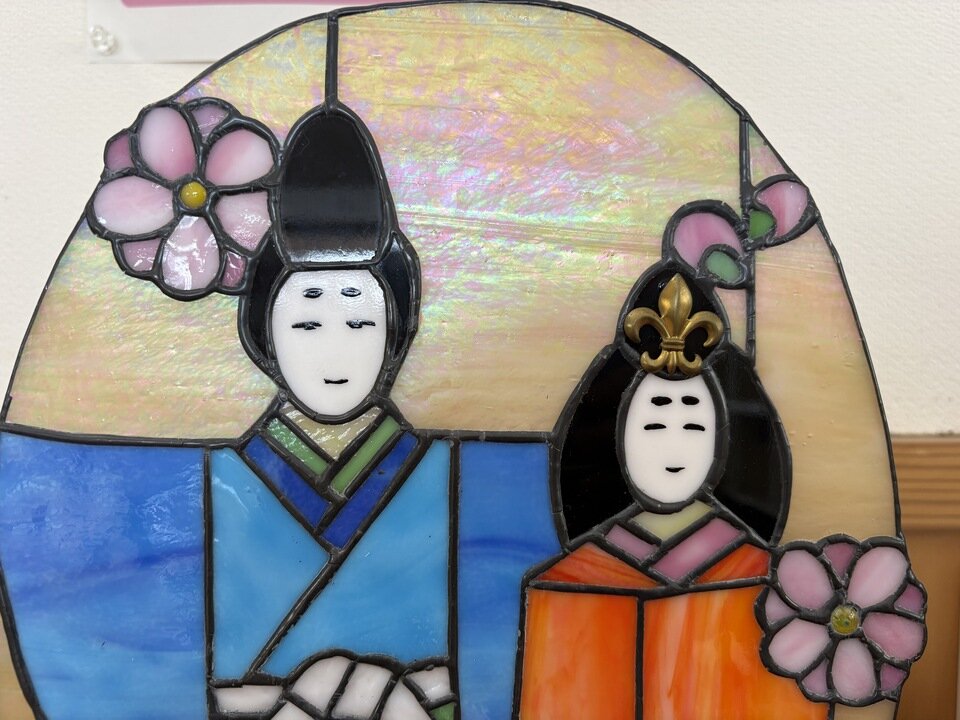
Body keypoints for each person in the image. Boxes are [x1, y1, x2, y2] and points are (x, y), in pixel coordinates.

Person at [208, 104, 559, 720]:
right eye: (308, 323)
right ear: (265, 334)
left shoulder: (457, 474)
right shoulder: (222, 481)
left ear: (396, 333)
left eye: (360, 322)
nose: (335, 350)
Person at [514, 264, 826, 720]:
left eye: (694, 426)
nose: (674, 446)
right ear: (616, 435)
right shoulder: (566, 583)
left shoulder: (773, 584)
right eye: (654, 425)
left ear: (722, 438)